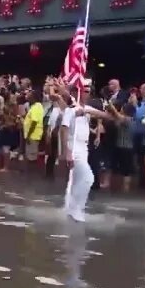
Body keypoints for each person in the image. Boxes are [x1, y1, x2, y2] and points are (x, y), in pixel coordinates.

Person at [61, 81, 113, 222]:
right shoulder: (70, 110)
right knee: (88, 178)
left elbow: (107, 116)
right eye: (84, 91)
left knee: (79, 180)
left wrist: (88, 111)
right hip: (74, 147)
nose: (87, 93)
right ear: (77, 93)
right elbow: (64, 130)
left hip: (84, 148)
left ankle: (75, 208)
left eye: (88, 91)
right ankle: (75, 208)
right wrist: (67, 152)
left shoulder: (87, 108)